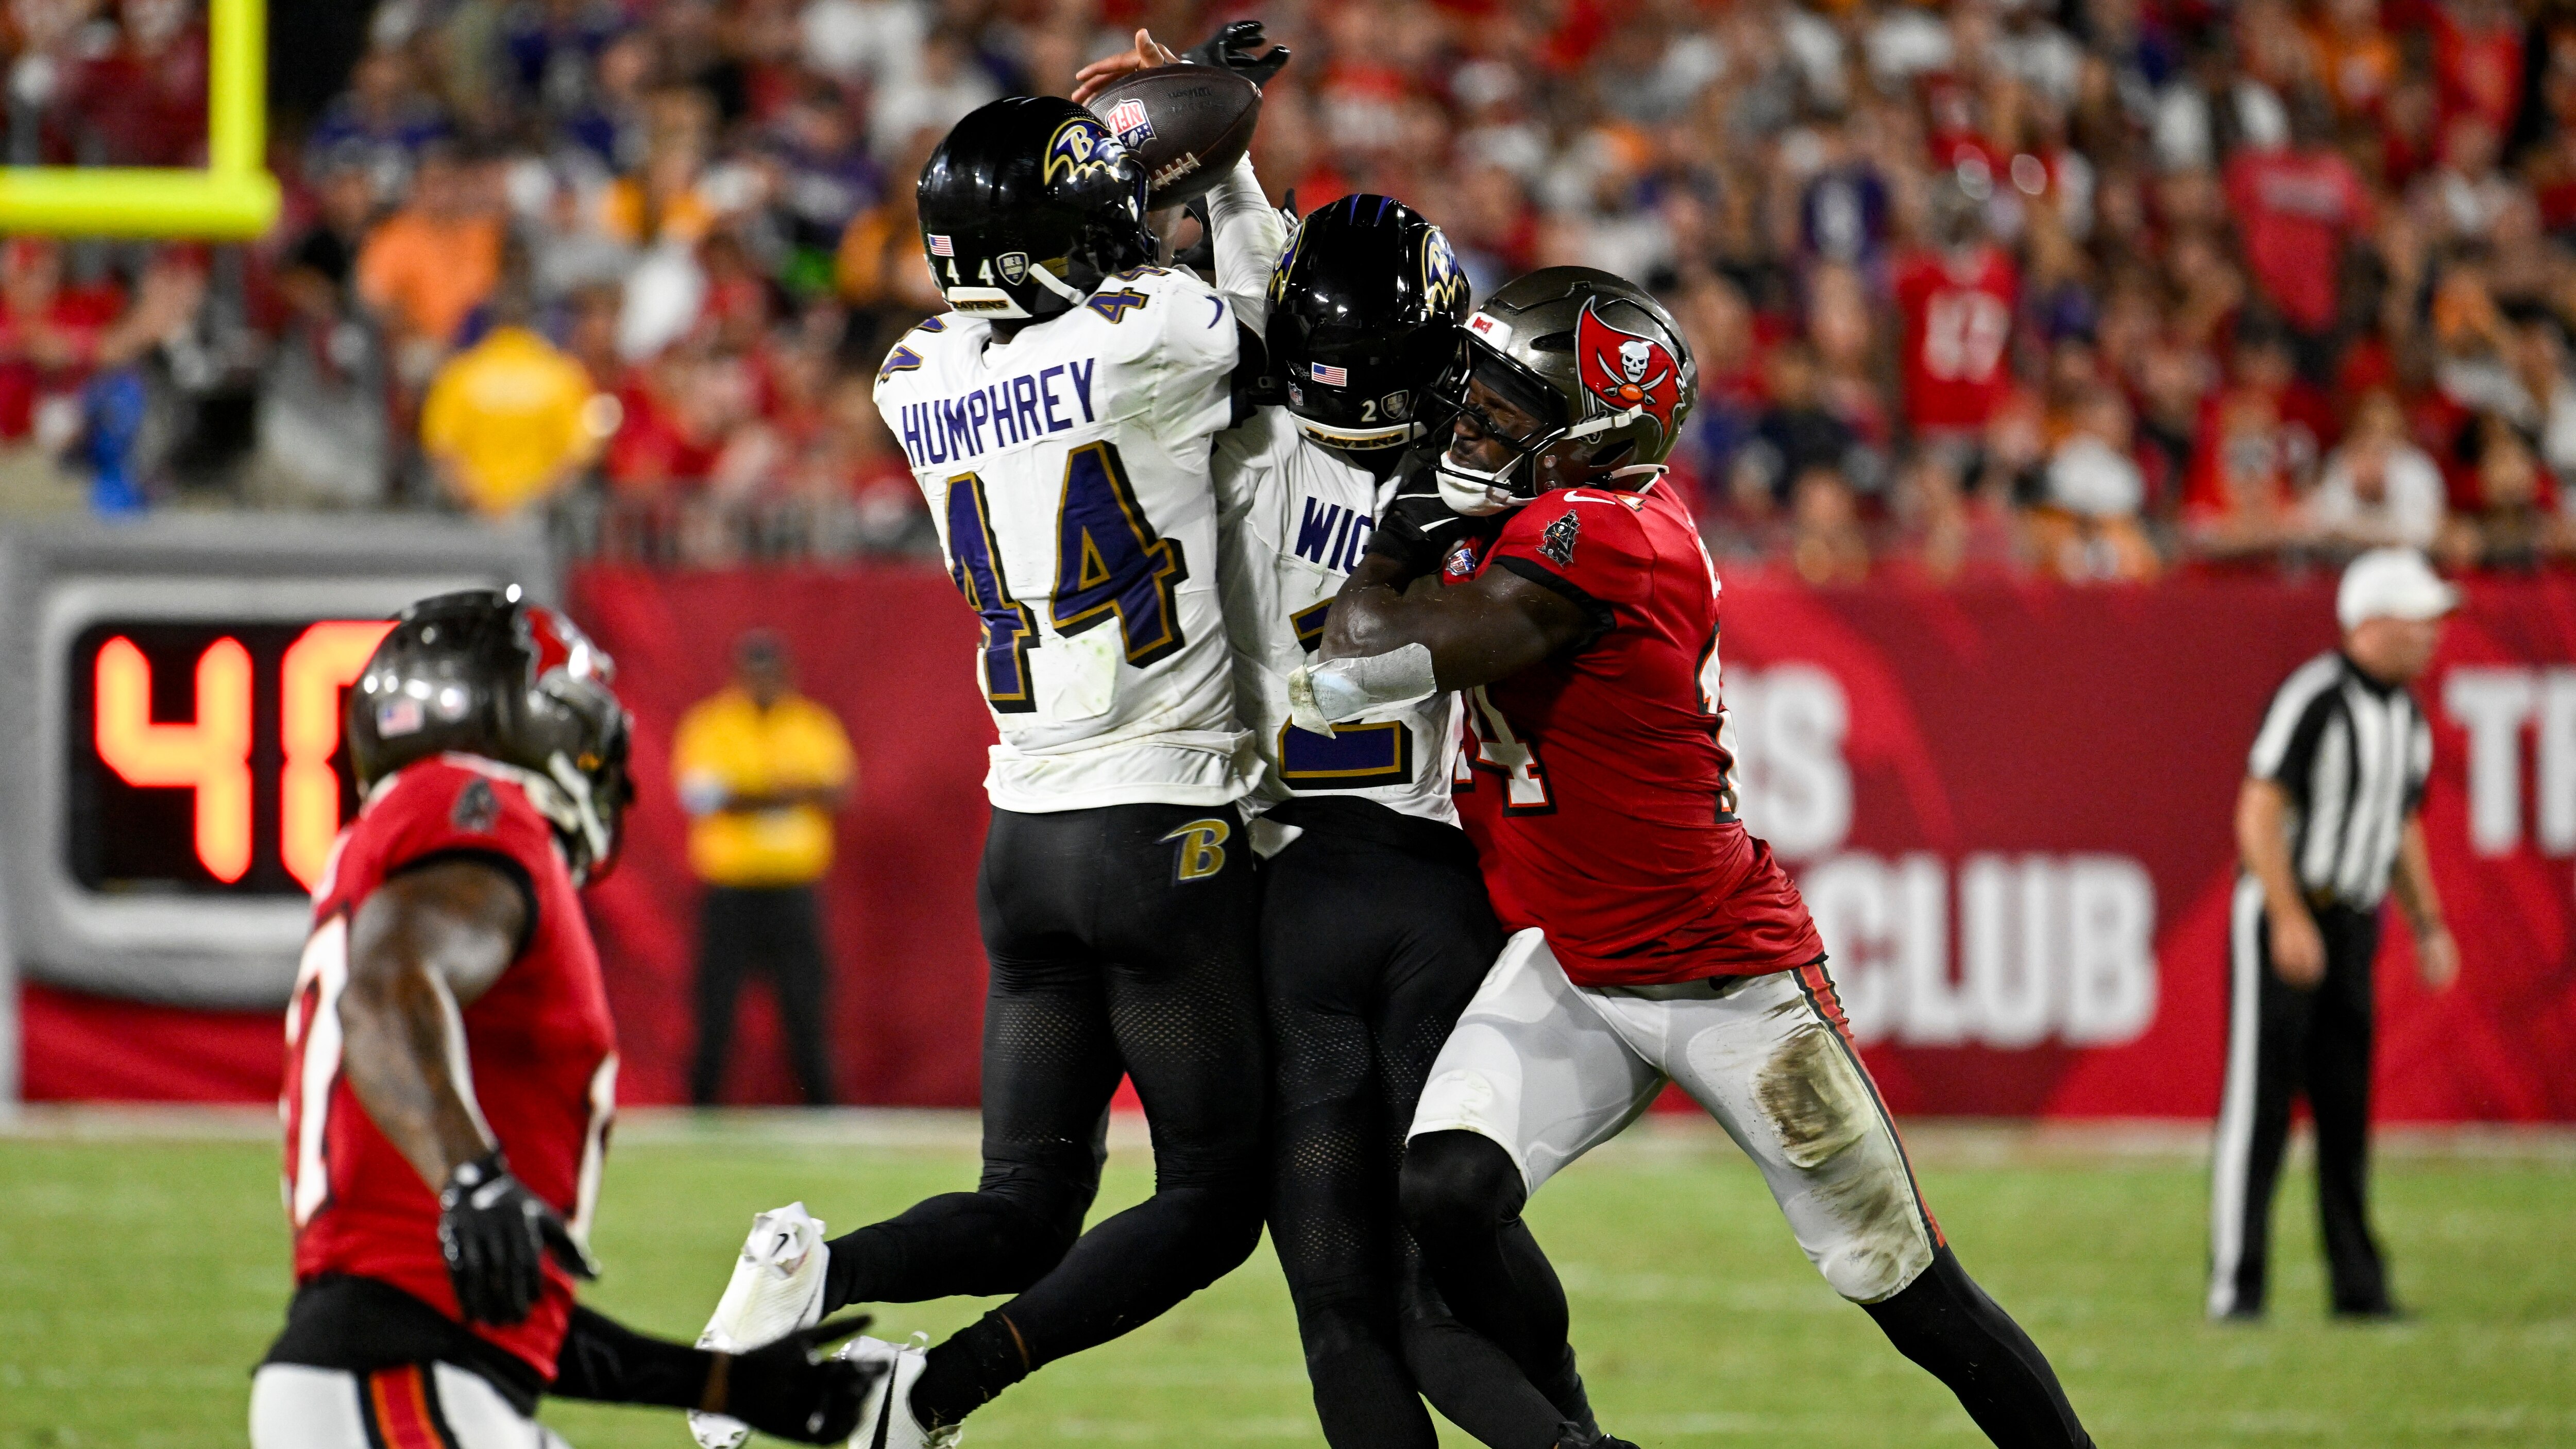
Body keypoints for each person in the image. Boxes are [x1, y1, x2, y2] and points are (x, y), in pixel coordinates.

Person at [1293, 267, 2096, 1448]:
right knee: (1446, 1189)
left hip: (1723, 975)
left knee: (1910, 1291)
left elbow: (1353, 670)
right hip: (1573, 956)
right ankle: (1573, 1430)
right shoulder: (1540, 514)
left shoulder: (1611, 536)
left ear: (1600, 431)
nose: (1478, 416)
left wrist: (1392, 545)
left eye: (1514, 400)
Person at [693, 95, 1269, 1449]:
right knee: (1211, 1196)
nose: (1119, 233)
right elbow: (1272, 325)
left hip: (1026, 836)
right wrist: (1225, 162)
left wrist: (1086, 152)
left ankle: (811, 1278)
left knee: (1023, 1204)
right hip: (1161, 815)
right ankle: (928, 1392)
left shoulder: (915, 377)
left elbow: (1040, 294)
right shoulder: (1153, 340)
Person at [256, 589, 878, 1448]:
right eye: (570, 714)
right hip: (397, 1389)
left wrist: (726, 1384)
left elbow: (495, 1308)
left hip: (398, 1382)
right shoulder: (471, 801)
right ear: (510, 714)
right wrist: (473, 1174)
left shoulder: (403, 834)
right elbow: (388, 985)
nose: (597, 755)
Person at [2209, 548, 2463, 1321]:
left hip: (2355, 920)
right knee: (2260, 1107)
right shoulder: (2315, 696)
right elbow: (2257, 810)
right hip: (2288, 912)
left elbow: (2400, 826)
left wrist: (2428, 922)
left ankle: (2359, 1288)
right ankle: (2237, 1286)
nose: (2432, 636)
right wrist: (2287, 914)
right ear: (2373, 621)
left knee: (2347, 1109)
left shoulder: (2409, 715)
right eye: (2419, 619)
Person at [671, 630, 856, 1106]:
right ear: (738, 676)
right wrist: (788, 794)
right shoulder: (711, 723)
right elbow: (703, 796)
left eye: (771, 672)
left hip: (794, 888)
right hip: (731, 888)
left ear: (787, 674)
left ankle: (823, 1112)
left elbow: (837, 790)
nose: (763, 682)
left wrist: (746, 795)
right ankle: (701, 1112)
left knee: (805, 1007)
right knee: (716, 1008)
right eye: (754, 673)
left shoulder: (812, 723)